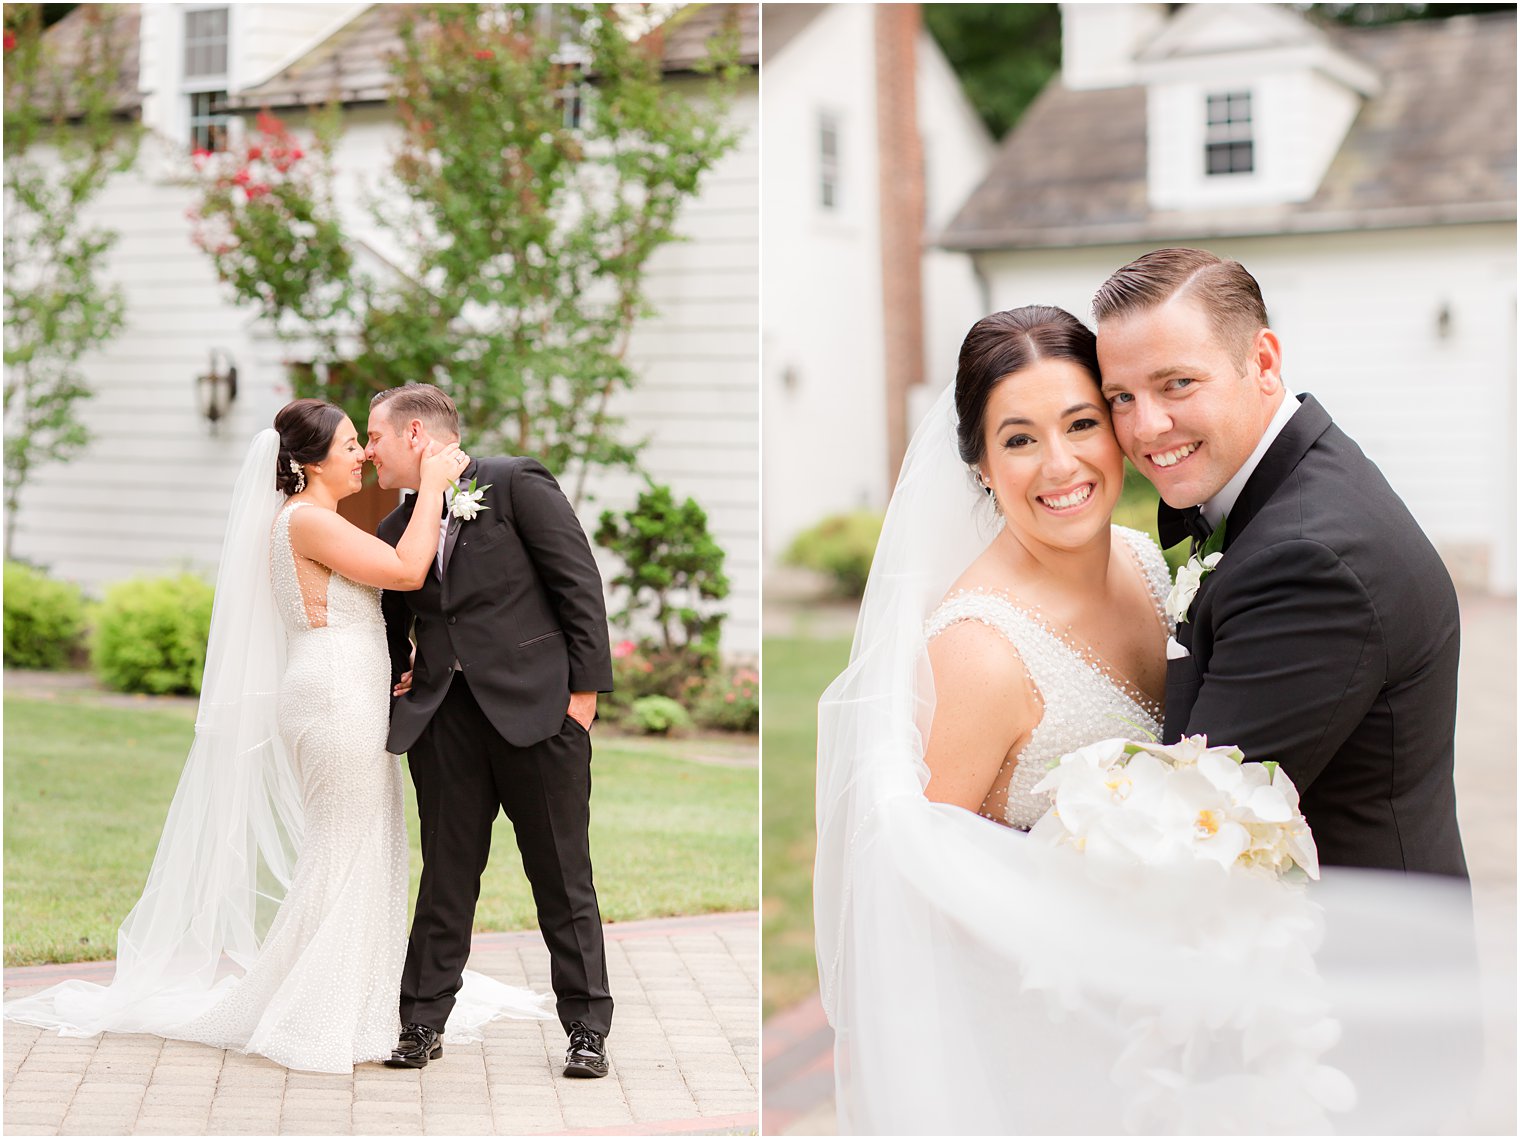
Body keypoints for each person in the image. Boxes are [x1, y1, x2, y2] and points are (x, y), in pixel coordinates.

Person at [814, 307, 1486, 1134]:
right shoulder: (979, 652)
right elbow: (930, 901)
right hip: (1064, 1043)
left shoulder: (1143, 558)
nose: (1060, 463)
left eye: (1083, 422)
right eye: (1019, 439)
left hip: (1188, 1036)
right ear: (981, 465)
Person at [4, 399, 550, 1072]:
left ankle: (344, 997)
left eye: (363, 442)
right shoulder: (309, 521)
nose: (362, 456)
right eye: (351, 444)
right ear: (310, 461)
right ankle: (314, 1011)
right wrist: (434, 484)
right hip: (334, 696)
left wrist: (402, 670)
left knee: (354, 845)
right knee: (344, 850)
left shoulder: (306, 520)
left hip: (342, 690)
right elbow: (408, 573)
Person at [1092, 246, 1467, 878]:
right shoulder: (1292, 482)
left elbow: (1185, 833)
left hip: (1350, 960)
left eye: (1177, 383)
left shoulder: (1307, 562)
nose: (1146, 426)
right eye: (1120, 397)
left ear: (1263, 362)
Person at [365, 384, 615, 1076]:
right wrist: (401, 679)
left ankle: (587, 1029)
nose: (370, 452)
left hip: (541, 716)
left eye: (376, 437)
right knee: (446, 877)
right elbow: (390, 629)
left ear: (415, 435)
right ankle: (420, 1022)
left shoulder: (511, 484)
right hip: (446, 724)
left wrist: (584, 697)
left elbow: (578, 585)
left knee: (563, 879)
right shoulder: (394, 531)